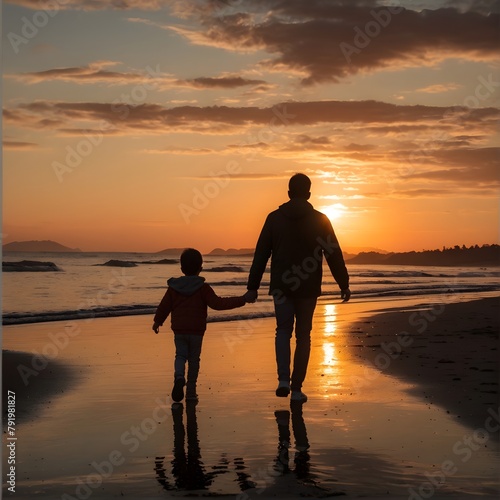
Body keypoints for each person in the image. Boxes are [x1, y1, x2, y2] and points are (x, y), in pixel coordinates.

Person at [246, 173, 350, 403]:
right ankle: (296, 389)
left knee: (283, 330)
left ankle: (283, 379)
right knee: (304, 335)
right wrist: (344, 283)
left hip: (282, 286)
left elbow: (261, 254)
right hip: (308, 286)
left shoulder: (273, 219)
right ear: (309, 194)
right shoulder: (321, 220)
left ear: (289, 193)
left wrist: (252, 287)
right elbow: (334, 254)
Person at [153, 248, 255, 403]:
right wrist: (243, 299)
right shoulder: (203, 288)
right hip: (196, 332)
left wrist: (157, 321)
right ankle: (191, 392)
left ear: (181, 269)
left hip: (179, 331)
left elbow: (164, 306)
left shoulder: (174, 288)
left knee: (180, 355)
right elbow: (218, 303)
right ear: (200, 269)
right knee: (194, 360)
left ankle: (179, 377)